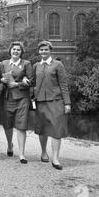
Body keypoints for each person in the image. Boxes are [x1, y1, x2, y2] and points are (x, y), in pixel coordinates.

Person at [33, 40, 71, 170]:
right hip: (40, 102)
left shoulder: (58, 65)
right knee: (42, 129)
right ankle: (44, 152)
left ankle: (55, 158)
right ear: (39, 51)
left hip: (56, 101)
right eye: (41, 50)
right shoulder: (36, 66)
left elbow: (64, 85)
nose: (43, 52)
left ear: (50, 51)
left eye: (46, 50)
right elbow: (33, 82)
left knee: (56, 129)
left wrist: (67, 103)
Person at [1, 41, 33, 164]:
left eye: (18, 50)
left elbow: (31, 80)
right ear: (10, 51)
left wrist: (19, 83)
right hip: (7, 98)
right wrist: (2, 79)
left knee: (21, 125)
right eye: (14, 49)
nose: (15, 51)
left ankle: (22, 154)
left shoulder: (26, 63)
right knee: (7, 124)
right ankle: (10, 145)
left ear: (21, 52)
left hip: (22, 98)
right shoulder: (3, 63)